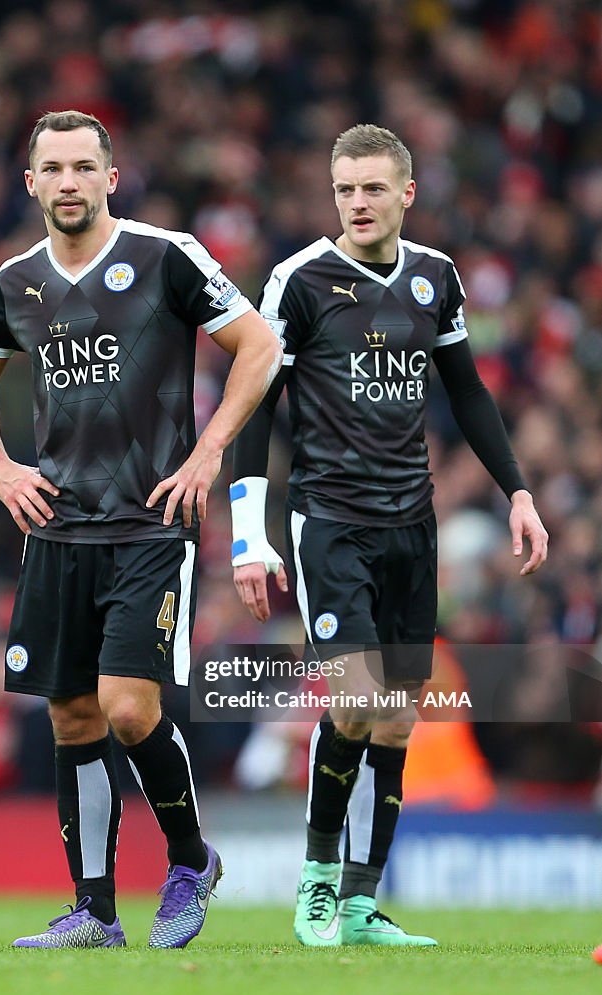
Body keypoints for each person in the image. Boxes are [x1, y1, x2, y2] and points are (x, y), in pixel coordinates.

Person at [0, 110, 282, 949]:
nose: (67, 182)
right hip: (56, 529)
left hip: (149, 522)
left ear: (110, 174)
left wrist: (208, 454)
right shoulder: (15, 282)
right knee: (70, 718)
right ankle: (94, 910)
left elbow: (258, 345)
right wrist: (0, 469)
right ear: (30, 184)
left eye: (81, 167)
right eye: (51, 169)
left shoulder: (164, 257)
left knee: (128, 709)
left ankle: (189, 861)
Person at [229, 124, 548, 947]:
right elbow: (256, 406)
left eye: (372, 188)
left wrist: (517, 491)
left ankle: (365, 905)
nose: (357, 203)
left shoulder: (434, 279)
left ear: (406, 192)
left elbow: (468, 395)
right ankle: (316, 885)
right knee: (358, 700)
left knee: (400, 720)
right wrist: (246, 537)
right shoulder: (298, 282)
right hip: (330, 520)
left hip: (413, 522)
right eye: (344, 189)